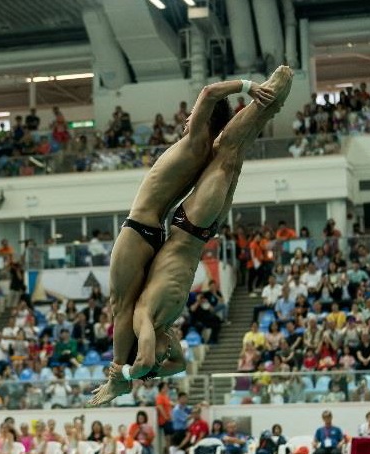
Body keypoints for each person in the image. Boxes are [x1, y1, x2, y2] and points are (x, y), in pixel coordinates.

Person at [91, 66, 292, 405]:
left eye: (191, 117)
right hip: (159, 231)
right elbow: (172, 363)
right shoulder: (202, 149)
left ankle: (116, 377)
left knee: (120, 305)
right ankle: (270, 103)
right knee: (231, 156)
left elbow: (210, 93)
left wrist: (248, 87)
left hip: (148, 229)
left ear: (204, 119)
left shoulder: (196, 139)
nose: (186, 120)